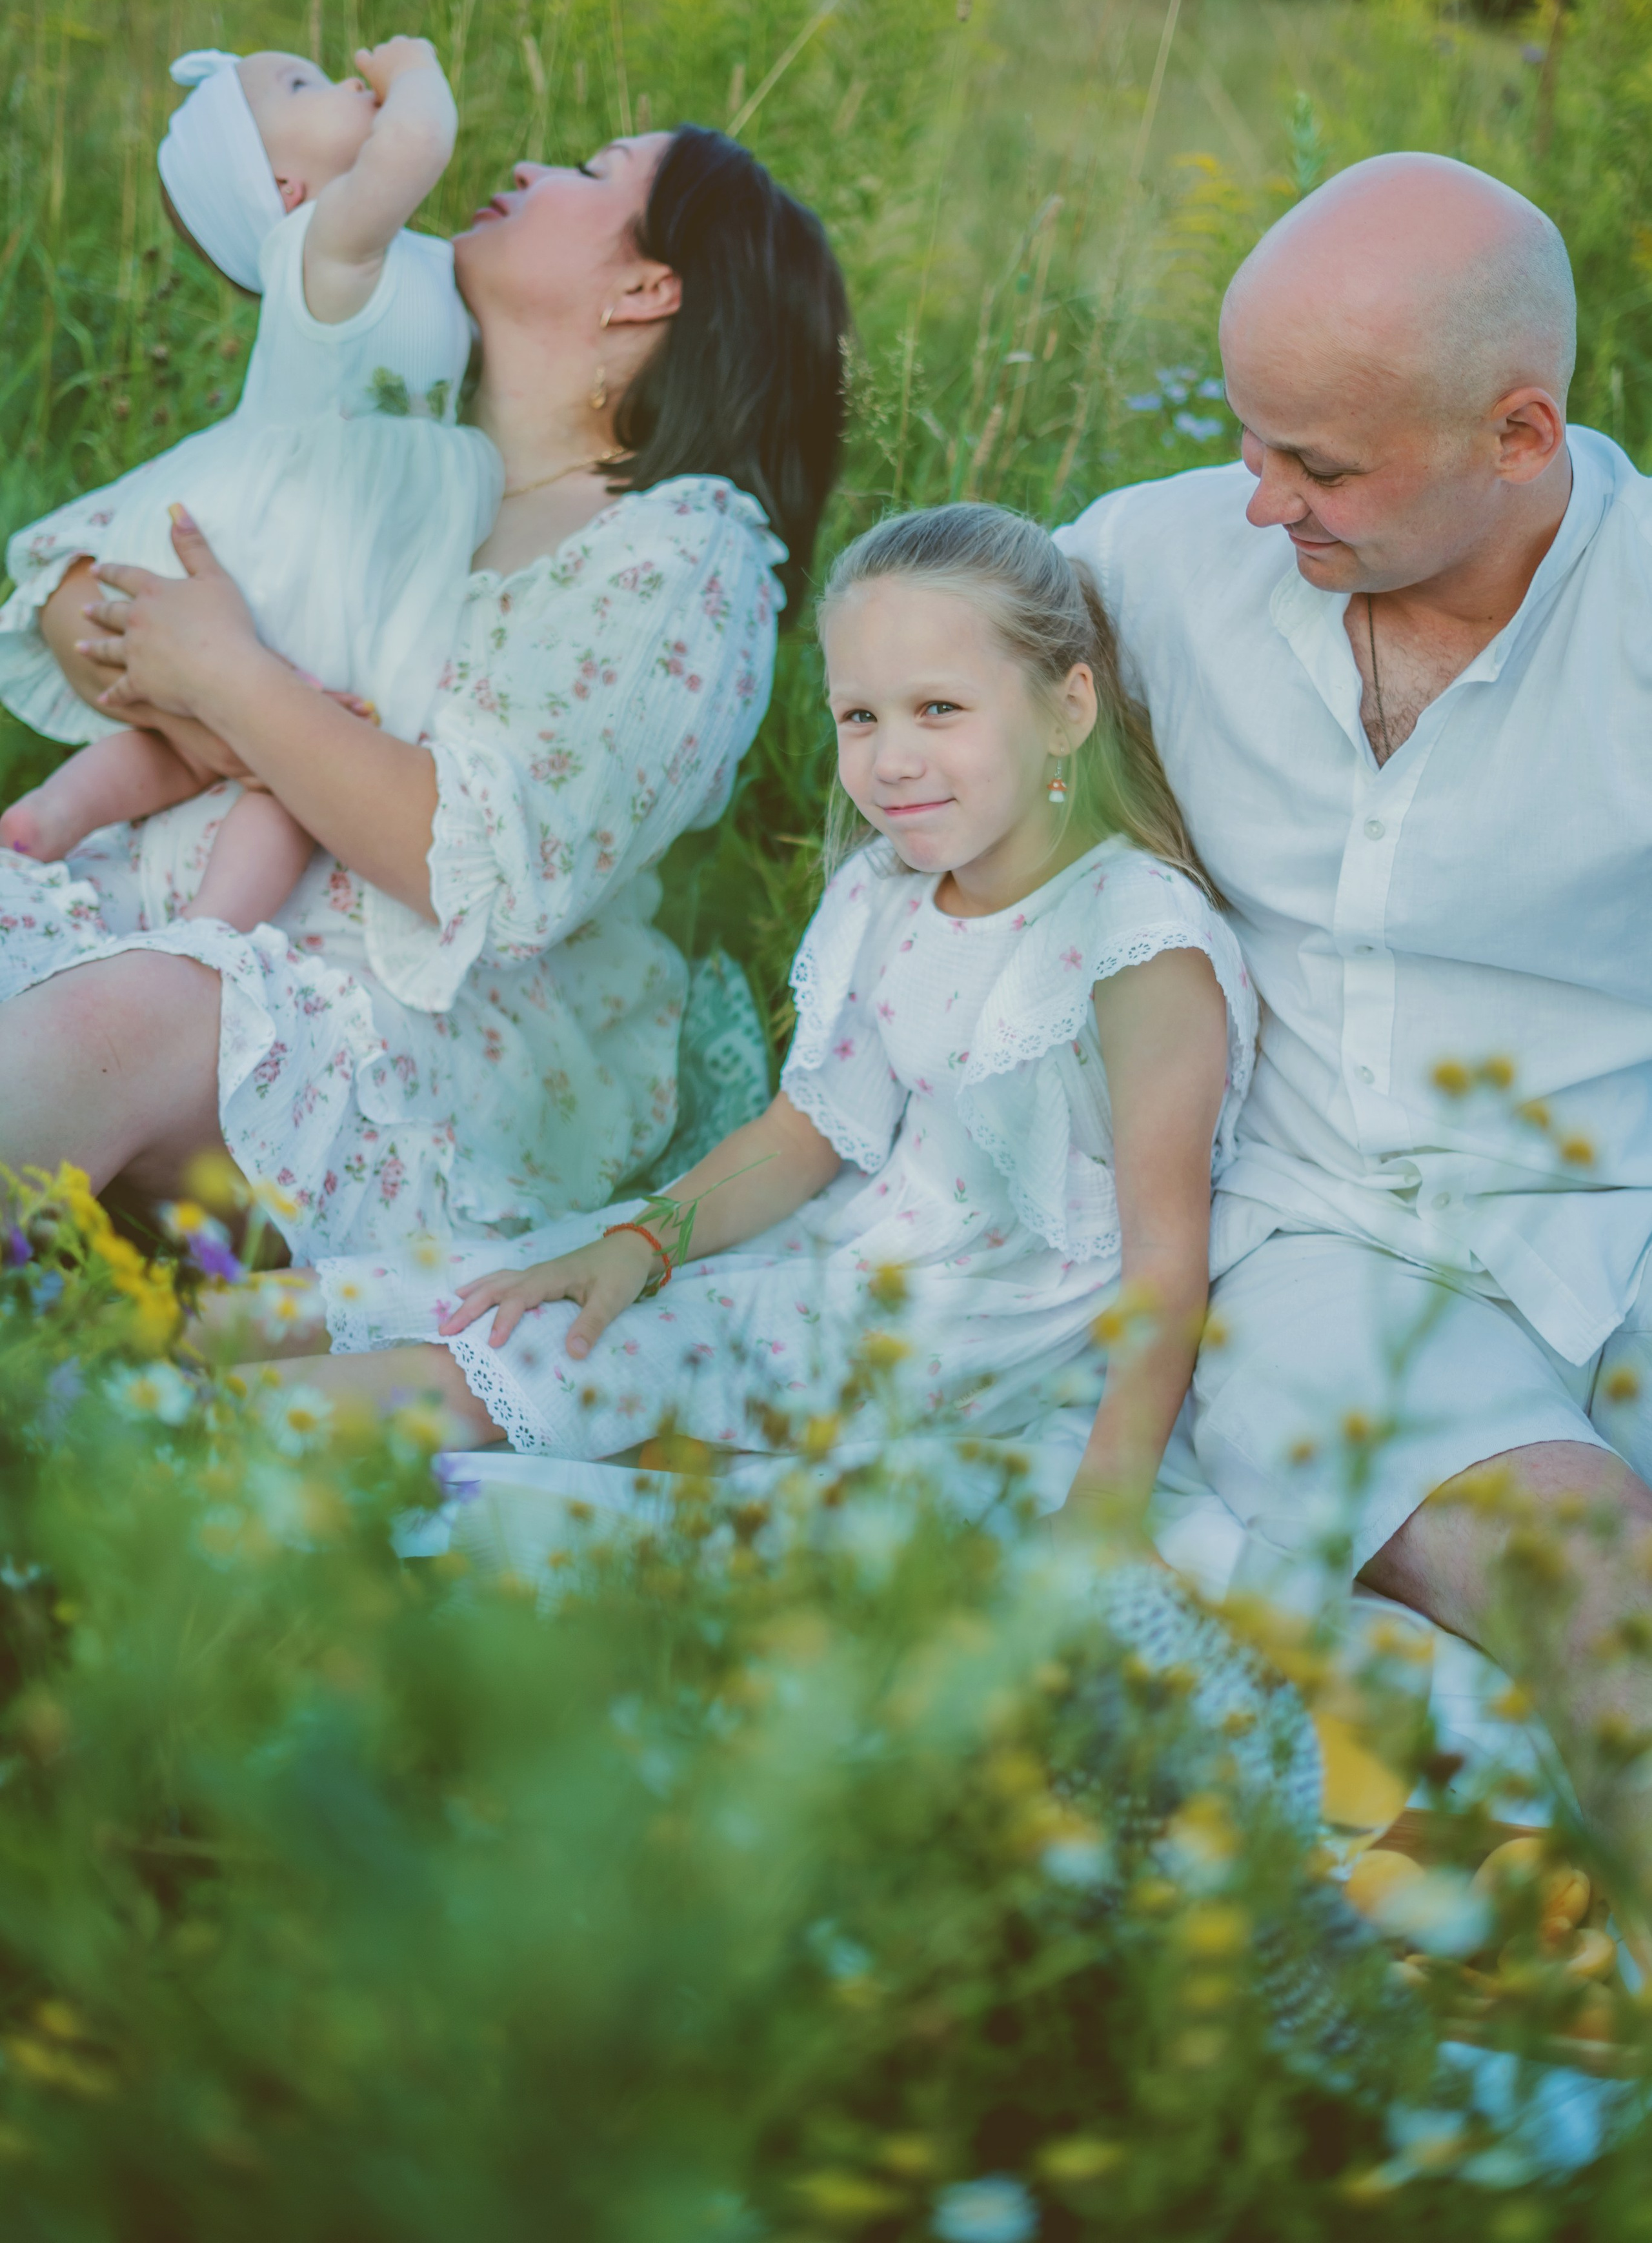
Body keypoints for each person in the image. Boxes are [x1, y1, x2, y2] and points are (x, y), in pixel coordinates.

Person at [250, 504, 1256, 1530]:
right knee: (504, 1285)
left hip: (969, 1330)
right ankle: (145, 1337)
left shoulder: (1134, 940)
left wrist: (1105, 1512)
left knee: (560, 1354)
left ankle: (160, 1441)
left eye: (940, 710)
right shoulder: (892, 894)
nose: (891, 761)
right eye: (861, 717)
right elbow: (805, 1133)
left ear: (1065, 710)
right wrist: (649, 1241)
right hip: (848, 1251)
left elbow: (1166, 1265)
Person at [1058, 150, 1652, 1869]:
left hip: (1620, 1208)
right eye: (1246, 441)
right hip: (1319, 1256)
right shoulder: (1150, 562)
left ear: (1519, 437)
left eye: (1318, 466)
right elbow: (926, 715)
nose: (1258, 503)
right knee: (1604, 1605)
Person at [0, 125, 848, 1265]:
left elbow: (483, 875)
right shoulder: (398, 434)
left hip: (406, 1027)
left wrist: (234, 681)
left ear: (650, 289)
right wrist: (227, 707)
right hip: (163, 894)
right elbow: (82, 584)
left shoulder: (682, 557)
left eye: (590, 175)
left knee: (121, 1019)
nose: (532, 169)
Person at [1, 37, 496, 930]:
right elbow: (417, 144)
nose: (347, 79)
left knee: (244, 757)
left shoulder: (395, 252)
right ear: (282, 195)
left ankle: (89, 842)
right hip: (290, 553)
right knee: (278, 756)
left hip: (351, 557)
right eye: (302, 85)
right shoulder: (327, 249)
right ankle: (142, 872)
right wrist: (415, 67)